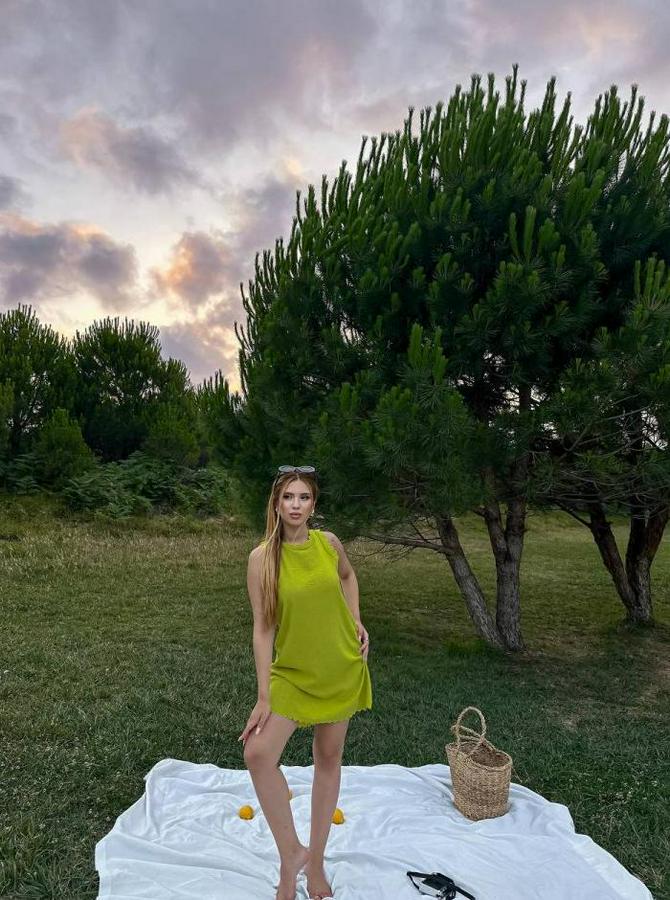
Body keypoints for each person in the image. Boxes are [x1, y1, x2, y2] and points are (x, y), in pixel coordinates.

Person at [238, 465, 372, 900]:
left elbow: (348, 577)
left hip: (340, 666)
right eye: (288, 497)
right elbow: (263, 629)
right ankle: (291, 854)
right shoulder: (261, 559)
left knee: (328, 759)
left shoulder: (329, 543)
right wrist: (264, 695)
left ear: (314, 504)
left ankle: (315, 865)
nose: (296, 506)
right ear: (276, 504)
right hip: (293, 673)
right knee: (258, 753)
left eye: (304, 497)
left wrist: (355, 619)